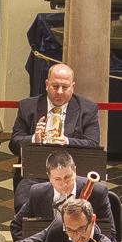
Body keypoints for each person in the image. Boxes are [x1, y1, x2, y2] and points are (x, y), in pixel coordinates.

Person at [10, 63, 100, 211]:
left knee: (97, 198)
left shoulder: (88, 109)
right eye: (55, 86)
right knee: (23, 201)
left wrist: (68, 141)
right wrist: (33, 139)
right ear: (46, 84)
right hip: (36, 175)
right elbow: (13, 144)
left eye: (65, 87)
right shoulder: (28, 107)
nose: (59, 92)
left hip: (73, 176)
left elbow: (93, 144)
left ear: (73, 87)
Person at [10, 150, 115, 242]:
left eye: (67, 177)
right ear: (49, 178)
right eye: (58, 179)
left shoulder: (98, 192)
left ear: (75, 171)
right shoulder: (37, 193)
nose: (64, 184)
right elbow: (16, 226)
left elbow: (110, 233)